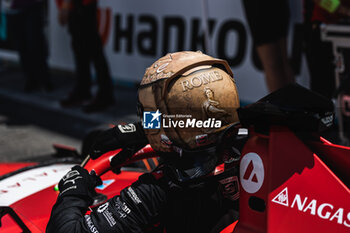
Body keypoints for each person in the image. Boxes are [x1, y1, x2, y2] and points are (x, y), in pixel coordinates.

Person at [46, 51, 243, 232]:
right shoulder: (254, 144)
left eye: (157, 114)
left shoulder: (160, 189)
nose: (151, 121)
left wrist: (73, 191)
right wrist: (141, 132)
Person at [57, 0, 114, 113]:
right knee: (80, 47)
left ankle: (104, 93)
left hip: (82, 4)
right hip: (76, 6)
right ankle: (83, 90)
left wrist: (66, 4)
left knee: (93, 48)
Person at [242, 0, 295, 93]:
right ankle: (281, 105)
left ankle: (293, 105)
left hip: (273, 5)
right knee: (273, 64)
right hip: (258, 7)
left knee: (281, 61)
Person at [6, 0, 52, 92]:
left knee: (35, 43)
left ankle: (44, 79)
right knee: (21, 45)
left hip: (32, 6)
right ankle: (31, 79)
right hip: (12, 8)